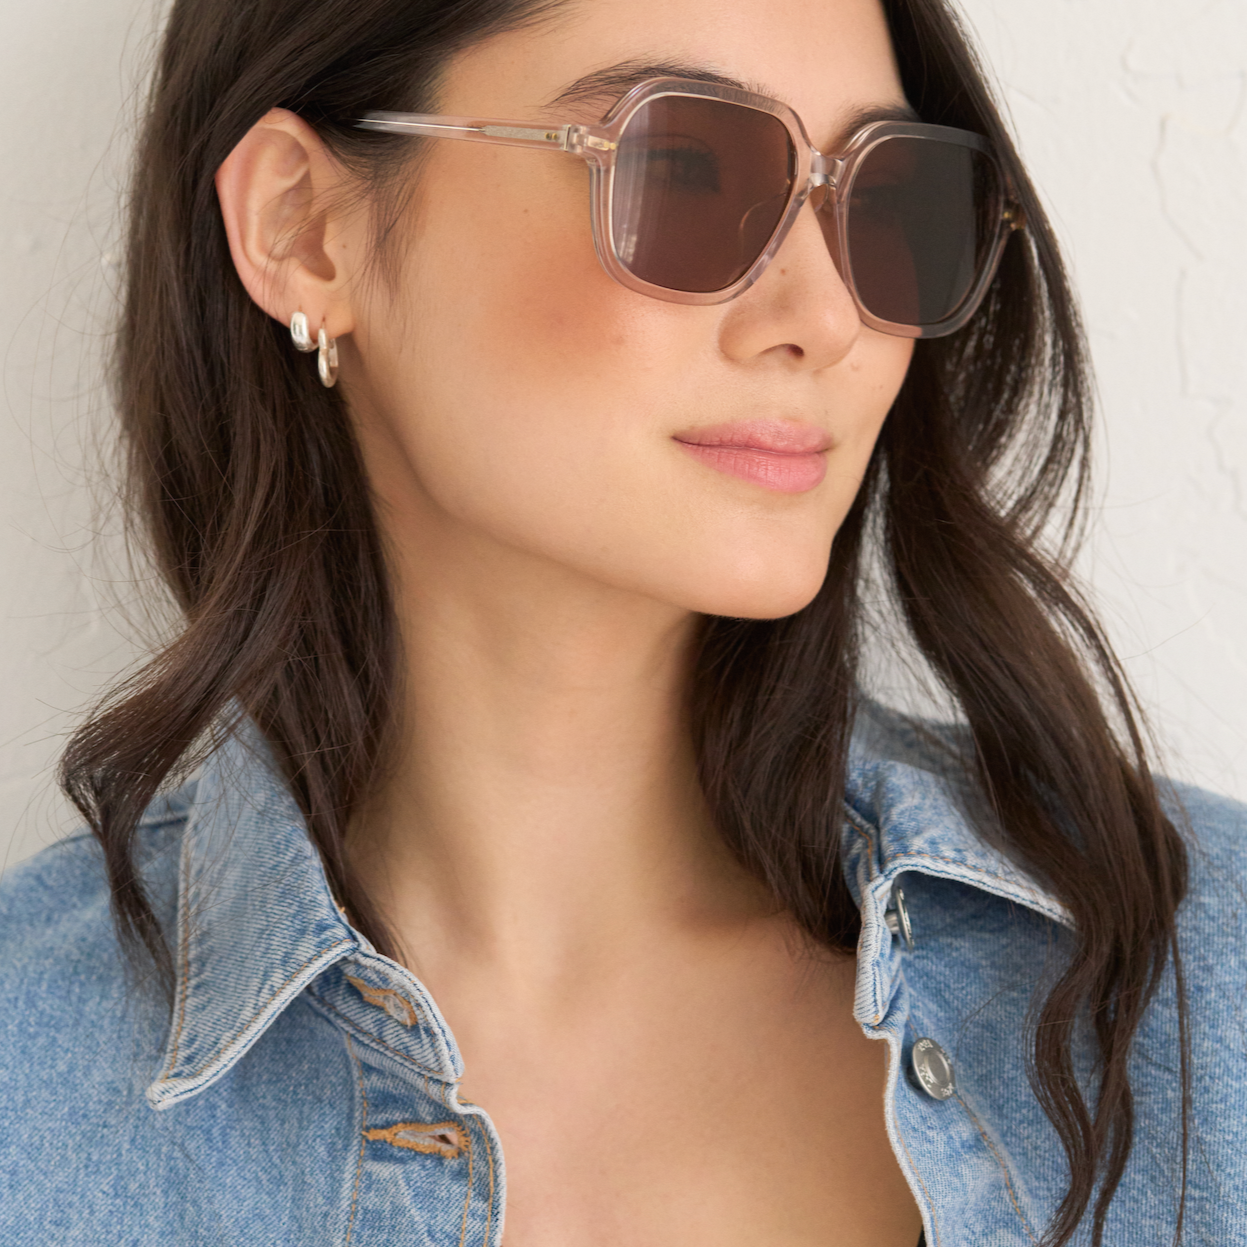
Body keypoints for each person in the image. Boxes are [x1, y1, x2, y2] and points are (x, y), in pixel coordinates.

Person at [0, 0, 1243, 1242]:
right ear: (304, 228)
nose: (823, 317)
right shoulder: (32, 1089)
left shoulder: (1202, 967)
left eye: (883, 198)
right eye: (683, 169)